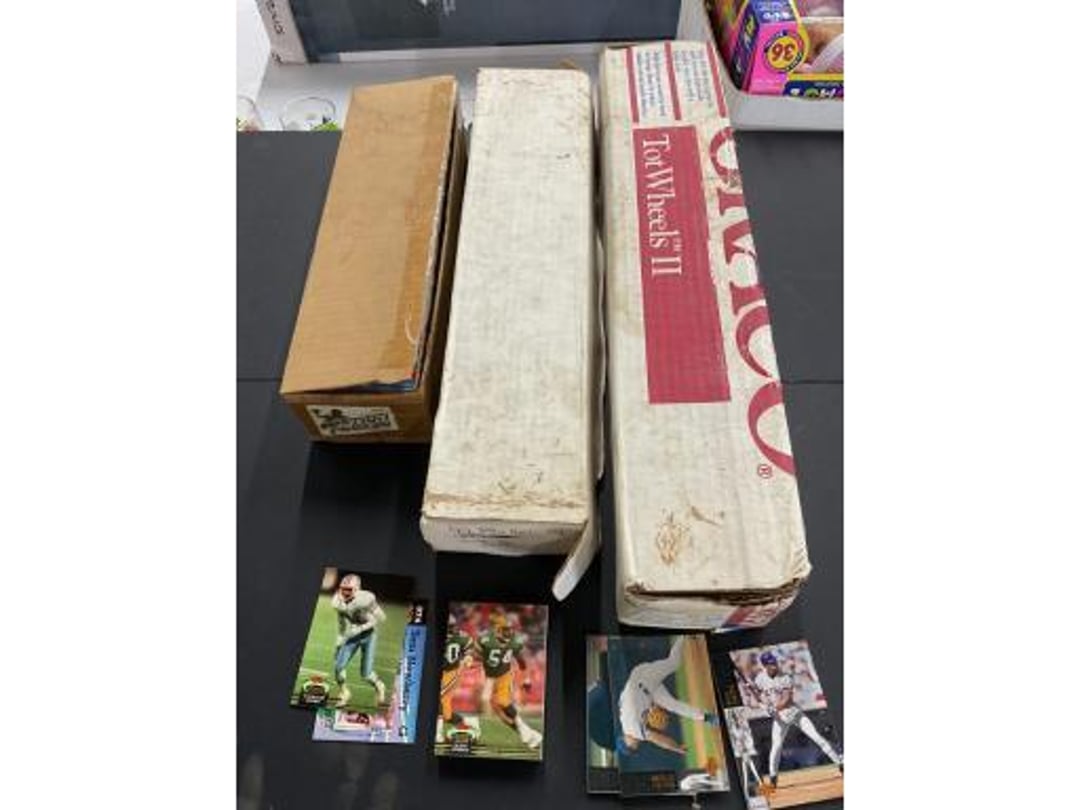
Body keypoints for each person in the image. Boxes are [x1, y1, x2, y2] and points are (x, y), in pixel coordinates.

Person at [751, 650, 842, 787]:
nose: (774, 665)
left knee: (817, 737)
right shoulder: (760, 679)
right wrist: (762, 704)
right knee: (776, 746)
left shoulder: (785, 677)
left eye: (774, 662)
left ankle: (840, 763)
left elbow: (787, 699)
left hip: (794, 713)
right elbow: (758, 697)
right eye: (770, 664)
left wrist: (774, 708)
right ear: (765, 666)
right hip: (779, 719)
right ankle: (773, 776)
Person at [616, 636, 720, 756]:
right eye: (633, 749)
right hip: (647, 688)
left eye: (631, 747)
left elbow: (659, 740)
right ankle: (707, 717)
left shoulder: (633, 730)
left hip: (645, 678)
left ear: (625, 741)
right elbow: (631, 698)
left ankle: (684, 636)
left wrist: (676, 748)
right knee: (673, 705)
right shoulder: (624, 719)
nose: (635, 746)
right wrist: (650, 705)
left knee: (673, 663)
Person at [477, 612, 542, 749]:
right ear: (498, 630)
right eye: (506, 630)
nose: (509, 633)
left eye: (511, 630)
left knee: (503, 701)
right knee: (502, 716)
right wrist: (471, 659)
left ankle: (524, 730)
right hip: (490, 677)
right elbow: (476, 652)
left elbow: (522, 662)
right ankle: (531, 734)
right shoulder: (486, 639)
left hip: (504, 675)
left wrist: (527, 679)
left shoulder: (514, 643)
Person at [331, 574, 386, 707]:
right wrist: (340, 638)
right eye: (343, 589)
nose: (345, 592)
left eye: (349, 589)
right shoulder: (337, 601)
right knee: (338, 666)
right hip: (353, 635)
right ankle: (344, 692)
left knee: (366, 674)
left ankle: (379, 685)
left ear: (357, 589)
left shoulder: (365, 599)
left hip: (369, 635)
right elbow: (341, 622)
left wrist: (360, 628)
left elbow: (379, 619)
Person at [436, 613, 475, 741]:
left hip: (451, 672)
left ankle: (437, 734)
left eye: (453, 626)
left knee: (437, 698)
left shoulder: (462, 638)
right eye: (450, 626)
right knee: (446, 714)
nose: (452, 629)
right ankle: (468, 723)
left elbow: (469, 651)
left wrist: (468, 658)